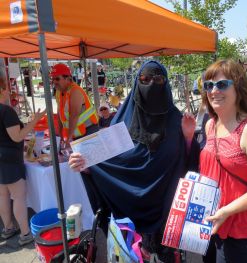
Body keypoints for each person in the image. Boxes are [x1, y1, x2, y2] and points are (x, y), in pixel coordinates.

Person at [69, 60, 199, 262]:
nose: (151, 84)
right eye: (144, 79)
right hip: (128, 209)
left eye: (157, 79)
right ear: (137, 82)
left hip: (165, 211)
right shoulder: (123, 121)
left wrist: (189, 137)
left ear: (166, 83)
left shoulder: (177, 121)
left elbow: (189, 166)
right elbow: (108, 165)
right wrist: (84, 164)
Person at [184, 59, 247, 262]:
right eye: (209, 85)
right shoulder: (210, 124)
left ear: (239, 87)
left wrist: (227, 211)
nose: (214, 90)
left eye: (222, 84)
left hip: (241, 227)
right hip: (210, 219)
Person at [0, 77, 46, 246]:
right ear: (3, 90)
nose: (10, 91)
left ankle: (8, 228)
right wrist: (35, 120)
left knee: (3, 194)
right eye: (8, 88)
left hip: (3, 159)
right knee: (18, 196)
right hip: (9, 159)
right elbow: (17, 136)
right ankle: (25, 233)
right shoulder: (6, 111)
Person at [51, 63, 99, 145]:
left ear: (67, 78)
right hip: (76, 133)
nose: (54, 82)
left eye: (57, 79)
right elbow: (59, 114)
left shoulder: (75, 91)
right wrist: (60, 134)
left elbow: (74, 115)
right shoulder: (59, 92)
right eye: (53, 79)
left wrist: (68, 139)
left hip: (89, 132)